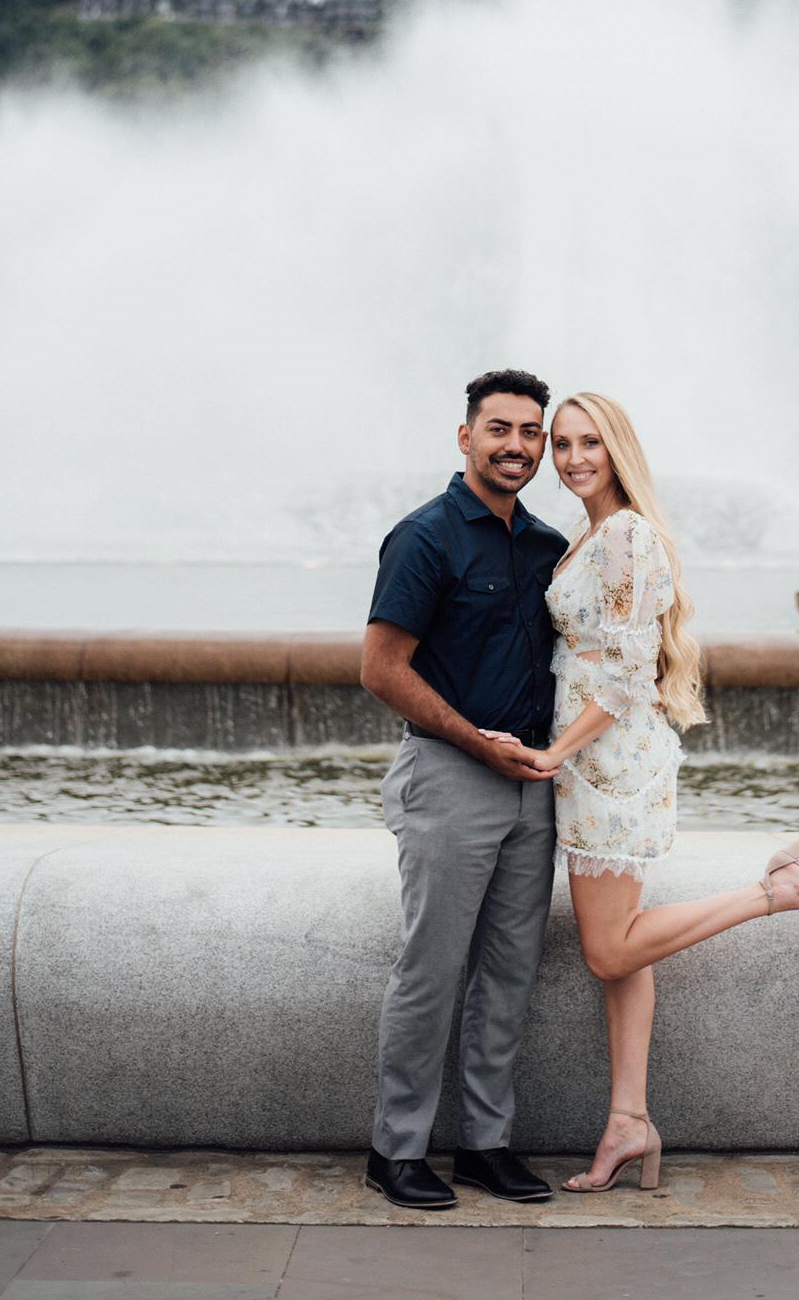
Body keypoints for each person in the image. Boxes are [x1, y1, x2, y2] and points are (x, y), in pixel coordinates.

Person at [484, 391, 799, 1194]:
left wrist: (554, 753)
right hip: (608, 756)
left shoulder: (623, 534)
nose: (573, 458)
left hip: (608, 762)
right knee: (626, 949)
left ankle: (776, 891)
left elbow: (624, 675)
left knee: (607, 948)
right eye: (563, 444)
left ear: (619, 448)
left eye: (590, 442)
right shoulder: (597, 533)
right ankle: (629, 1121)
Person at [358, 368, 565, 1212]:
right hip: (449, 776)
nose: (517, 446)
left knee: (510, 974)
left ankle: (485, 1145)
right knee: (431, 971)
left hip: (536, 784)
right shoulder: (426, 537)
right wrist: (474, 741)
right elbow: (380, 669)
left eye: (531, 433)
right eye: (500, 429)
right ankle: (396, 1150)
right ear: (465, 437)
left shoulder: (549, 546)